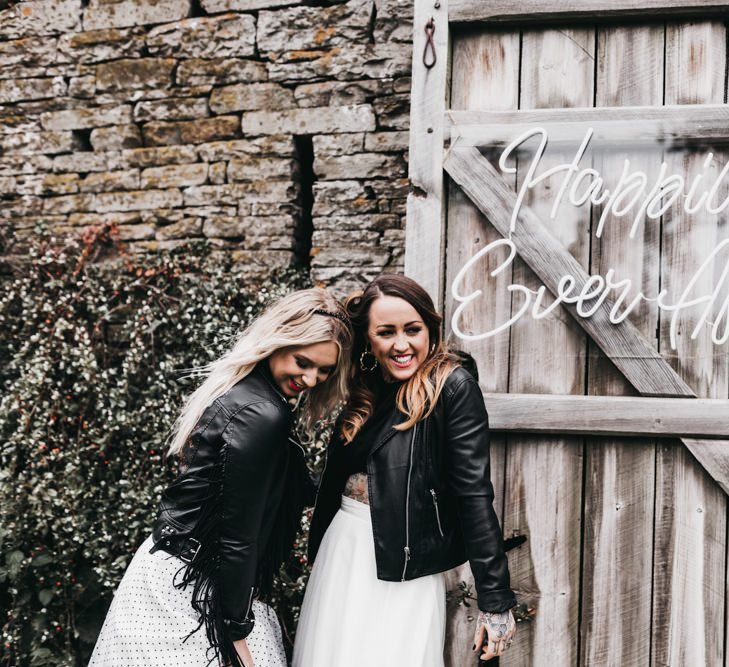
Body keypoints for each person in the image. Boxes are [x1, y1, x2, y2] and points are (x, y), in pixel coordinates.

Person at [89, 288, 352, 667]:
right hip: (196, 591)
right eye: (303, 361)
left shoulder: (247, 392)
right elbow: (237, 533)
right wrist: (235, 632)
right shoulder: (261, 413)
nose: (312, 379)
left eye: (324, 370)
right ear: (278, 341)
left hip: (174, 572)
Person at [293, 274, 516, 667]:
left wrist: (495, 600)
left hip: (403, 569)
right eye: (386, 332)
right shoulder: (367, 389)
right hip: (342, 555)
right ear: (369, 339)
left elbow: (474, 495)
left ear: (430, 328)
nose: (401, 344)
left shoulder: (453, 388)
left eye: (412, 330)